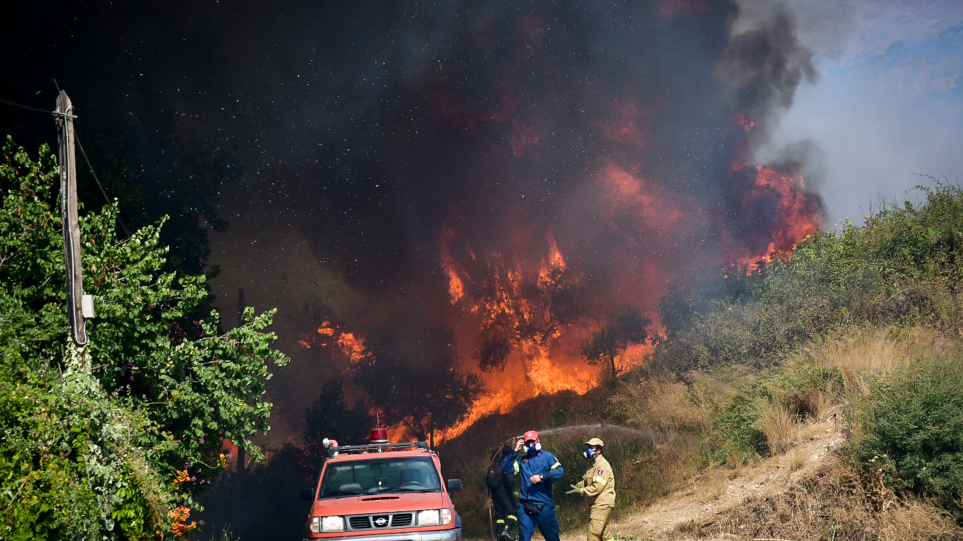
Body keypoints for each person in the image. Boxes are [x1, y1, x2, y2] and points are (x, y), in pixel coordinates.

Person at [503, 430, 564, 541]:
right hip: (525, 507)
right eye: (528, 442)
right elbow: (507, 468)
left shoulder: (547, 457)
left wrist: (541, 477)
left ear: (538, 440)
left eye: (533, 441)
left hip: (544, 505)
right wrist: (516, 451)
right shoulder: (522, 461)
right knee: (524, 538)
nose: (531, 444)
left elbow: (560, 472)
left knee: (552, 538)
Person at [566, 438, 616, 541]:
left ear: (598, 450)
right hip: (598, 504)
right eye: (588, 447)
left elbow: (597, 487)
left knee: (593, 535)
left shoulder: (602, 466)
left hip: (602, 504)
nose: (588, 450)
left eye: (591, 448)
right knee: (605, 536)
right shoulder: (593, 464)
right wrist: (580, 485)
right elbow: (587, 480)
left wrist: (582, 491)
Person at [486, 444, 517, 541]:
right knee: (514, 512)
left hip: (495, 493)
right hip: (504, 491)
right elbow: (509, 477)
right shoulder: (508, 462)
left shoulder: (495, 461)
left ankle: (500, 537)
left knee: (500, 516)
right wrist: (514, 487)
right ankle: (506, 530)